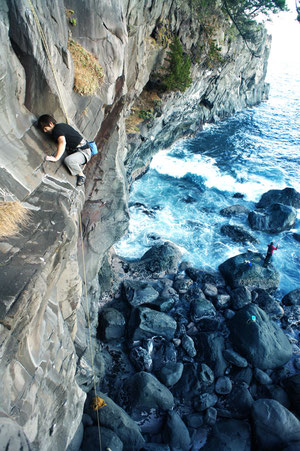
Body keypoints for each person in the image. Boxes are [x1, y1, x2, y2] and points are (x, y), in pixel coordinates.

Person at [38, 114, 91, 186]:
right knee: (70, 159)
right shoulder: (60, 127)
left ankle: (81, 175)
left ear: (50, 124)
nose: (44, 131)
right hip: (77, 150)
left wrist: (55, 158)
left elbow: (62, 142)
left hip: (84, 152)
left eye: (45, 128)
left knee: (69, 160)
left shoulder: (57, 129)